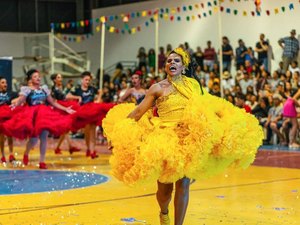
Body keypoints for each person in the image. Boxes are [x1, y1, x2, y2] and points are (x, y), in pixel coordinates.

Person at [103, 48, 263, 225]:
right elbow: (139, 111)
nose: (172, 63)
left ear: (183, 66)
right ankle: (164, 213)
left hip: (186, 138)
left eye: (176, 61)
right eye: (169, 61)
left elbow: (204, 107)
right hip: (163, 139)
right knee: (164, 192)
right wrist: (119, 133)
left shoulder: (194, 85)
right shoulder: (157, 88)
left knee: (183, 184)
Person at [2, 70, 75, 169]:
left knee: (44, 137)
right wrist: (14, 105)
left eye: (39, 76)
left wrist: (65, 109)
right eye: (35, 77)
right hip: (32, 115)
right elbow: (20, 100)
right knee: (33, 139)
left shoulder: (44, 89)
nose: (38, 78)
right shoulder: (27, 90)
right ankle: (26, 153)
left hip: (44, 114)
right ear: (31, 79)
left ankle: (42, 161)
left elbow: (52, 102)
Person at [67, 71, 115, 158]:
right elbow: (67, 96)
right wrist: (78, 97)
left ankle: (92, 151)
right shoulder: (76, 88)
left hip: (92, 111)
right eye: (86, 80)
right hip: (83, 113)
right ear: (82, 80)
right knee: (87, 132)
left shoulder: (92, 88)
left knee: (92, 131)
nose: (87, 82)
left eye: (89, 80)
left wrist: (98, 99)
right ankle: (88, 149)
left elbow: (100, 91)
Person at [50, 73, 81, 155]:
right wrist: (77, 97)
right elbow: (64, 97)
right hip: (60, 108)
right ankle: (70, 146)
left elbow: (66, 96)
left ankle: (58, 148)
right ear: (54, 80)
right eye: (58, 77)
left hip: (64, 107)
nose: (61, 79)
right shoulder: (54, 89)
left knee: (66, 129)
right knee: (65, 128)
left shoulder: (61, 87)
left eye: (61, 77)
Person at [0, 76, 18, 163]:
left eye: (6, 83)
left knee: (10, 135)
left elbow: (20, 97)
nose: (5, 84)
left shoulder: (11, 94)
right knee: (1, 137)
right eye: (3, 83)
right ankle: (2, 155)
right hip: (0, 118)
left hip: (8, 117)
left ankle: (11, 154)